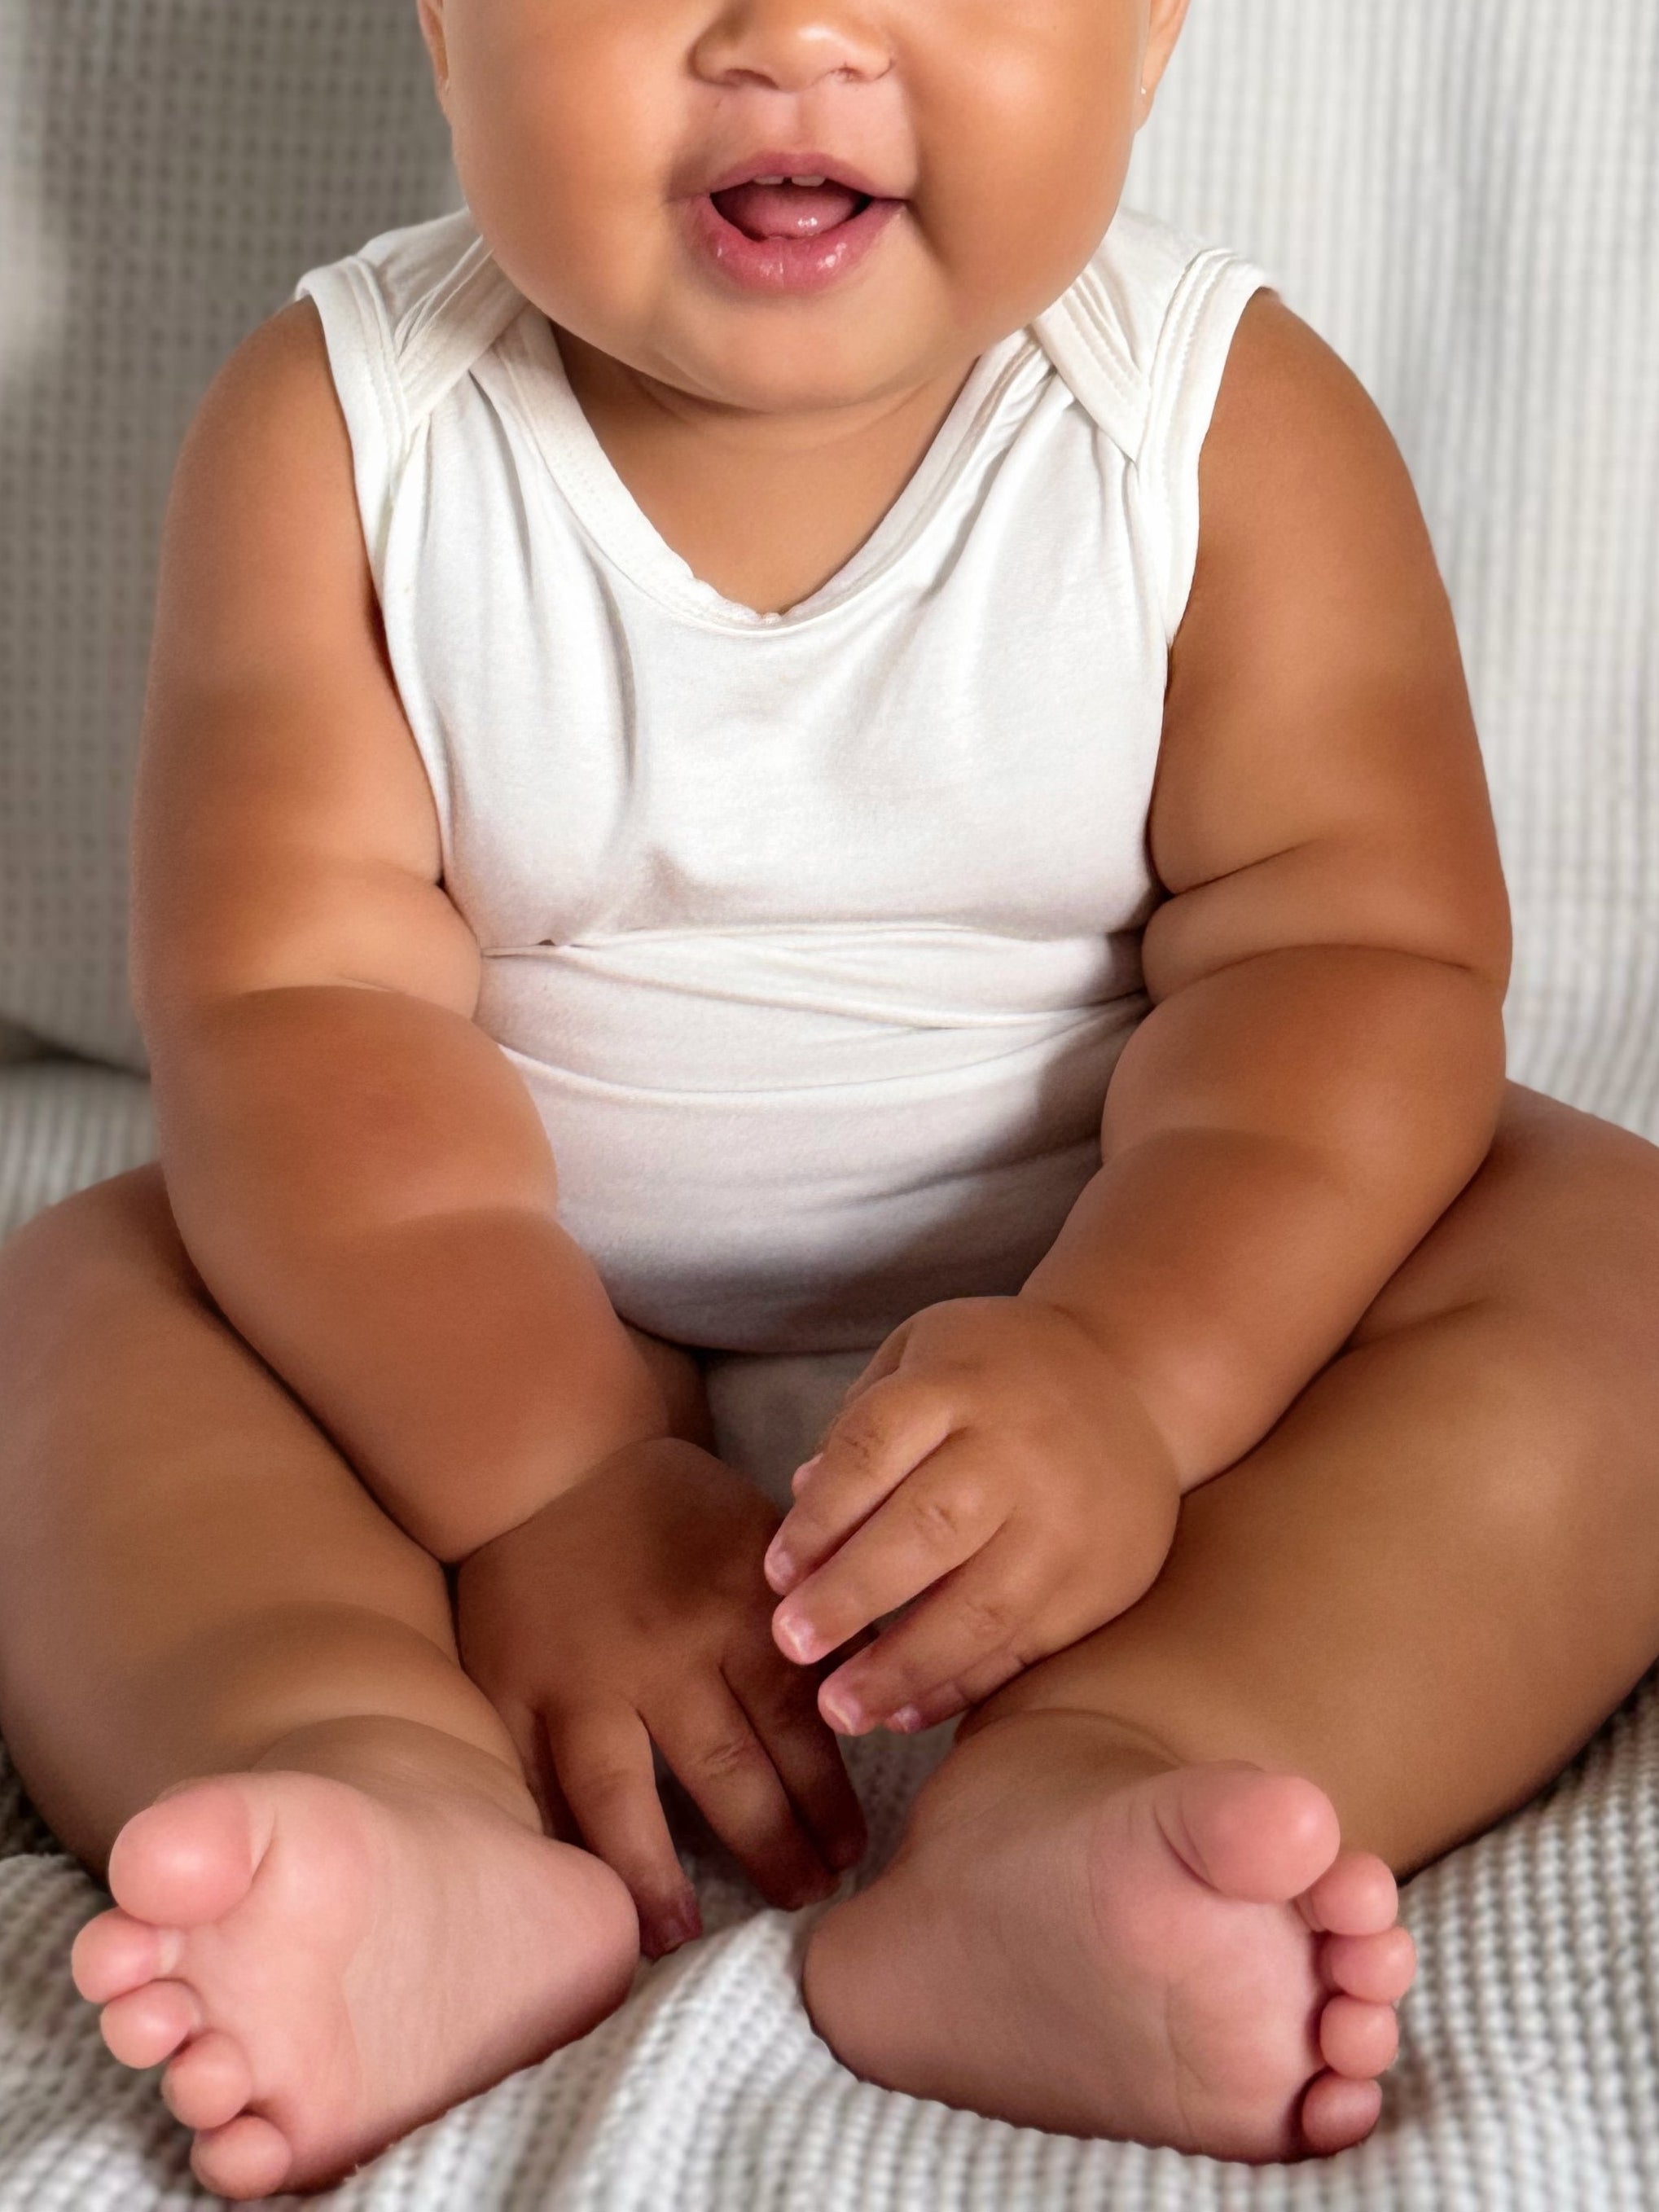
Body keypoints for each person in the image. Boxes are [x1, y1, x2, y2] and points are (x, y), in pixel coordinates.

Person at [2, 0, 1658, 2197]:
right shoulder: (347, 426)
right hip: (477, 1341)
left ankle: (1102, 1788)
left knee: (1613, 1263)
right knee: (76, 1312)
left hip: (1125, 1279)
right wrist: (545, 1478)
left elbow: (1348, 962)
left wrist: (1133, 1381)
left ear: (1149, 30)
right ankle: (384, 1800)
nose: (790, 34)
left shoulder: (1212, 419)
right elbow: (301, 1017)